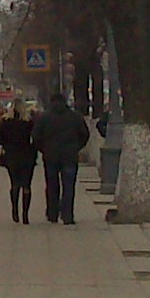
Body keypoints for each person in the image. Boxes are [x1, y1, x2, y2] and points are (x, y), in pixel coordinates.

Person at [36, 93, 92, 226]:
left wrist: (44, 149)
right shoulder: (75, 117)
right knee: (69, 186)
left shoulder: (44, 118)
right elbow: (85, 135)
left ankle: (53, 214)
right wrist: (76, 147)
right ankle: (67, 215)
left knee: (51, 185)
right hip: (69, 156)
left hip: (50, 156)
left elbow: (36, 136)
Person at [0, 100, 39, 224]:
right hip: (27, 157)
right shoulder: (29, 123)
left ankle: (15, 210)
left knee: (14, 184)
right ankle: (25, 215)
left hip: (11, 157)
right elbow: (35, 138)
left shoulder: (6, 123)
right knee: (26, 186)